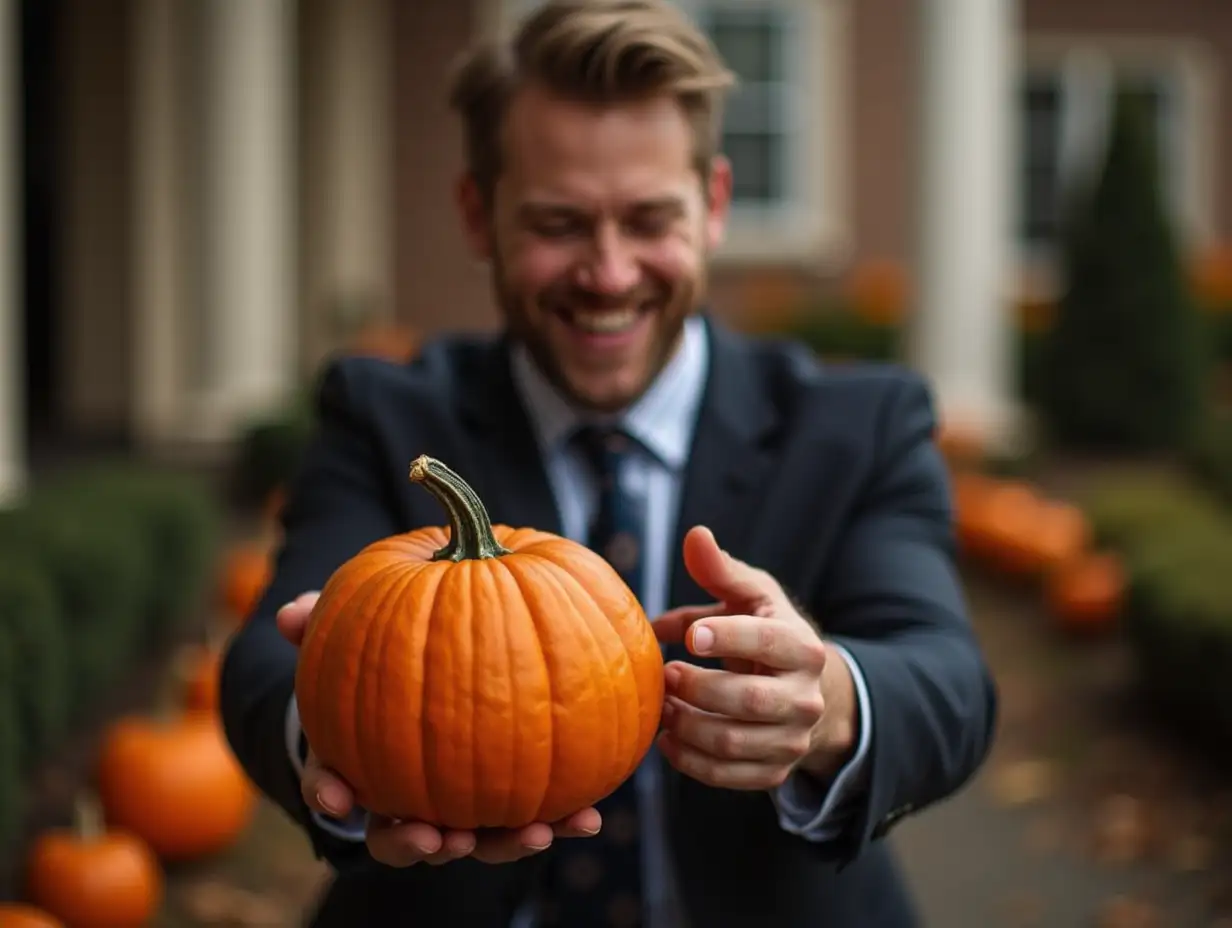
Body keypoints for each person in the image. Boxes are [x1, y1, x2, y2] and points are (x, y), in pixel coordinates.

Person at [219, 1, 998, 925]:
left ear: (711, 206)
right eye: (559, 223)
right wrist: (341, 734)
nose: (610, 272)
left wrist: (828, 703)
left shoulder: (859, 424)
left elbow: (946, 680)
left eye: (648, 219)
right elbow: (266, 667)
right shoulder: (385, 416)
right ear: (480, 215)